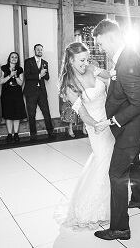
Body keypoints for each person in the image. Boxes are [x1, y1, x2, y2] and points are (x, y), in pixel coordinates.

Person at [92, 19, 140, 241]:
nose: (101, 49)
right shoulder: (124, 57)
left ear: (111, 38)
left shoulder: (126, 60)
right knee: (133, 162)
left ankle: (120, 228)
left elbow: (137, 104)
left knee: (116, 173)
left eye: (101, 44)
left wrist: (112, 121)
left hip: (131, 128)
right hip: (134, 128)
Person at [54, 42, 115, 230]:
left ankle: (115, 200)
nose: (85, 63)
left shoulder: (90, 68)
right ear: (71, 60)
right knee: (103, 159)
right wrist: (96, 124)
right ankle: (97, 208)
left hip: (110, 119)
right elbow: (83, 114)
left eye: (87, 59)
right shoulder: (69, 85)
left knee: (112, 160)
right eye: (81, 60)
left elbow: (111, 76)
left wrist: (111, 74)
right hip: (95, 125)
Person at [23, 44, 55, 141]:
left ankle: (50, 132)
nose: (40, 51)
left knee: (46, 112)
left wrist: (44, 74)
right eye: (38, 49)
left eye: (41, 49)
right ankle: (33, 133)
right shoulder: (28, 61)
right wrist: (39, 75)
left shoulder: (45, 62)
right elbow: (27, 76)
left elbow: (47, 77)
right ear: (34, 51)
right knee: (31, 113)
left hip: (41, 91)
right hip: (31, 92)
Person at [0, 52, 27, 142]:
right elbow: (1, 81)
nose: (14, 59)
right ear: (9, 58)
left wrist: (15, 76)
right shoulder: (3, 68)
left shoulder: (20, 69)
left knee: (17, 114)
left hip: (17, 93)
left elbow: (20, 83)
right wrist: (10, 75)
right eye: (12, 57)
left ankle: (16, 133)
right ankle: (9, 134)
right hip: (7, 93)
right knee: (8, 114)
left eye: (16, 57)